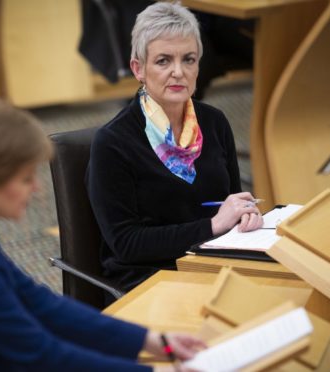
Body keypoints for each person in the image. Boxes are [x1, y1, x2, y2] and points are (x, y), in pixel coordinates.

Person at [0, 98, 205, 371]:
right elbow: (41, 355)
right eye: (25, 178)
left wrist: (151, 340)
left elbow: (40, 304)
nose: (36, 189)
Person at [87, 3, 264, 296]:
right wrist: (213, 225)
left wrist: (244, 215)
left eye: (189, 59)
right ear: (138, 68)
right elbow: (127, 244)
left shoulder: (214, 122)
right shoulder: (113, 142)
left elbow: (232, 202)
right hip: (150, 279)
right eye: (163, 61)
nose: (178, 72)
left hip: (213, 264)